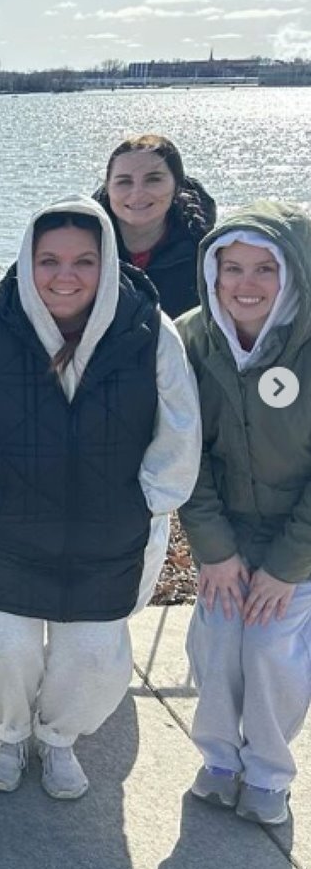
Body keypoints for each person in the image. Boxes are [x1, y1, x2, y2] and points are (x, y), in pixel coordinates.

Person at [0, 196, 200, 800]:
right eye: (49, 260)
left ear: (108, 263)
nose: (65, 275)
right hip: (2, 536)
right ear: (27, 262)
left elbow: (179, 431)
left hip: (107, 539)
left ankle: (57, 738)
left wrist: (144, 504)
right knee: (4, 650)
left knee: (95, 659)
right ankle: (8, 731)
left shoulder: (150, 334)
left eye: (84, 260)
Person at [177, 201, 311, 826]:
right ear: (213, 272)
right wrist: (214, 549)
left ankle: (269, 773)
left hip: (297, 539)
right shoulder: (191, 338)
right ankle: (219, 759)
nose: (246, 285)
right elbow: (184, 449)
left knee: (269, 648)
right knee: (220, 636)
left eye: (265, 269)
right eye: (232, 268)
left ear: (294, 275)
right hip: (225, 533)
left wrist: (287, 567)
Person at [95, 134, 217, 318]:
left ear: (176, 185)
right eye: (124, 181)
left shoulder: (207, 255)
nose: (137, 194)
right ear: (108, 187)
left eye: (153, 179)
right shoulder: (83, 249)